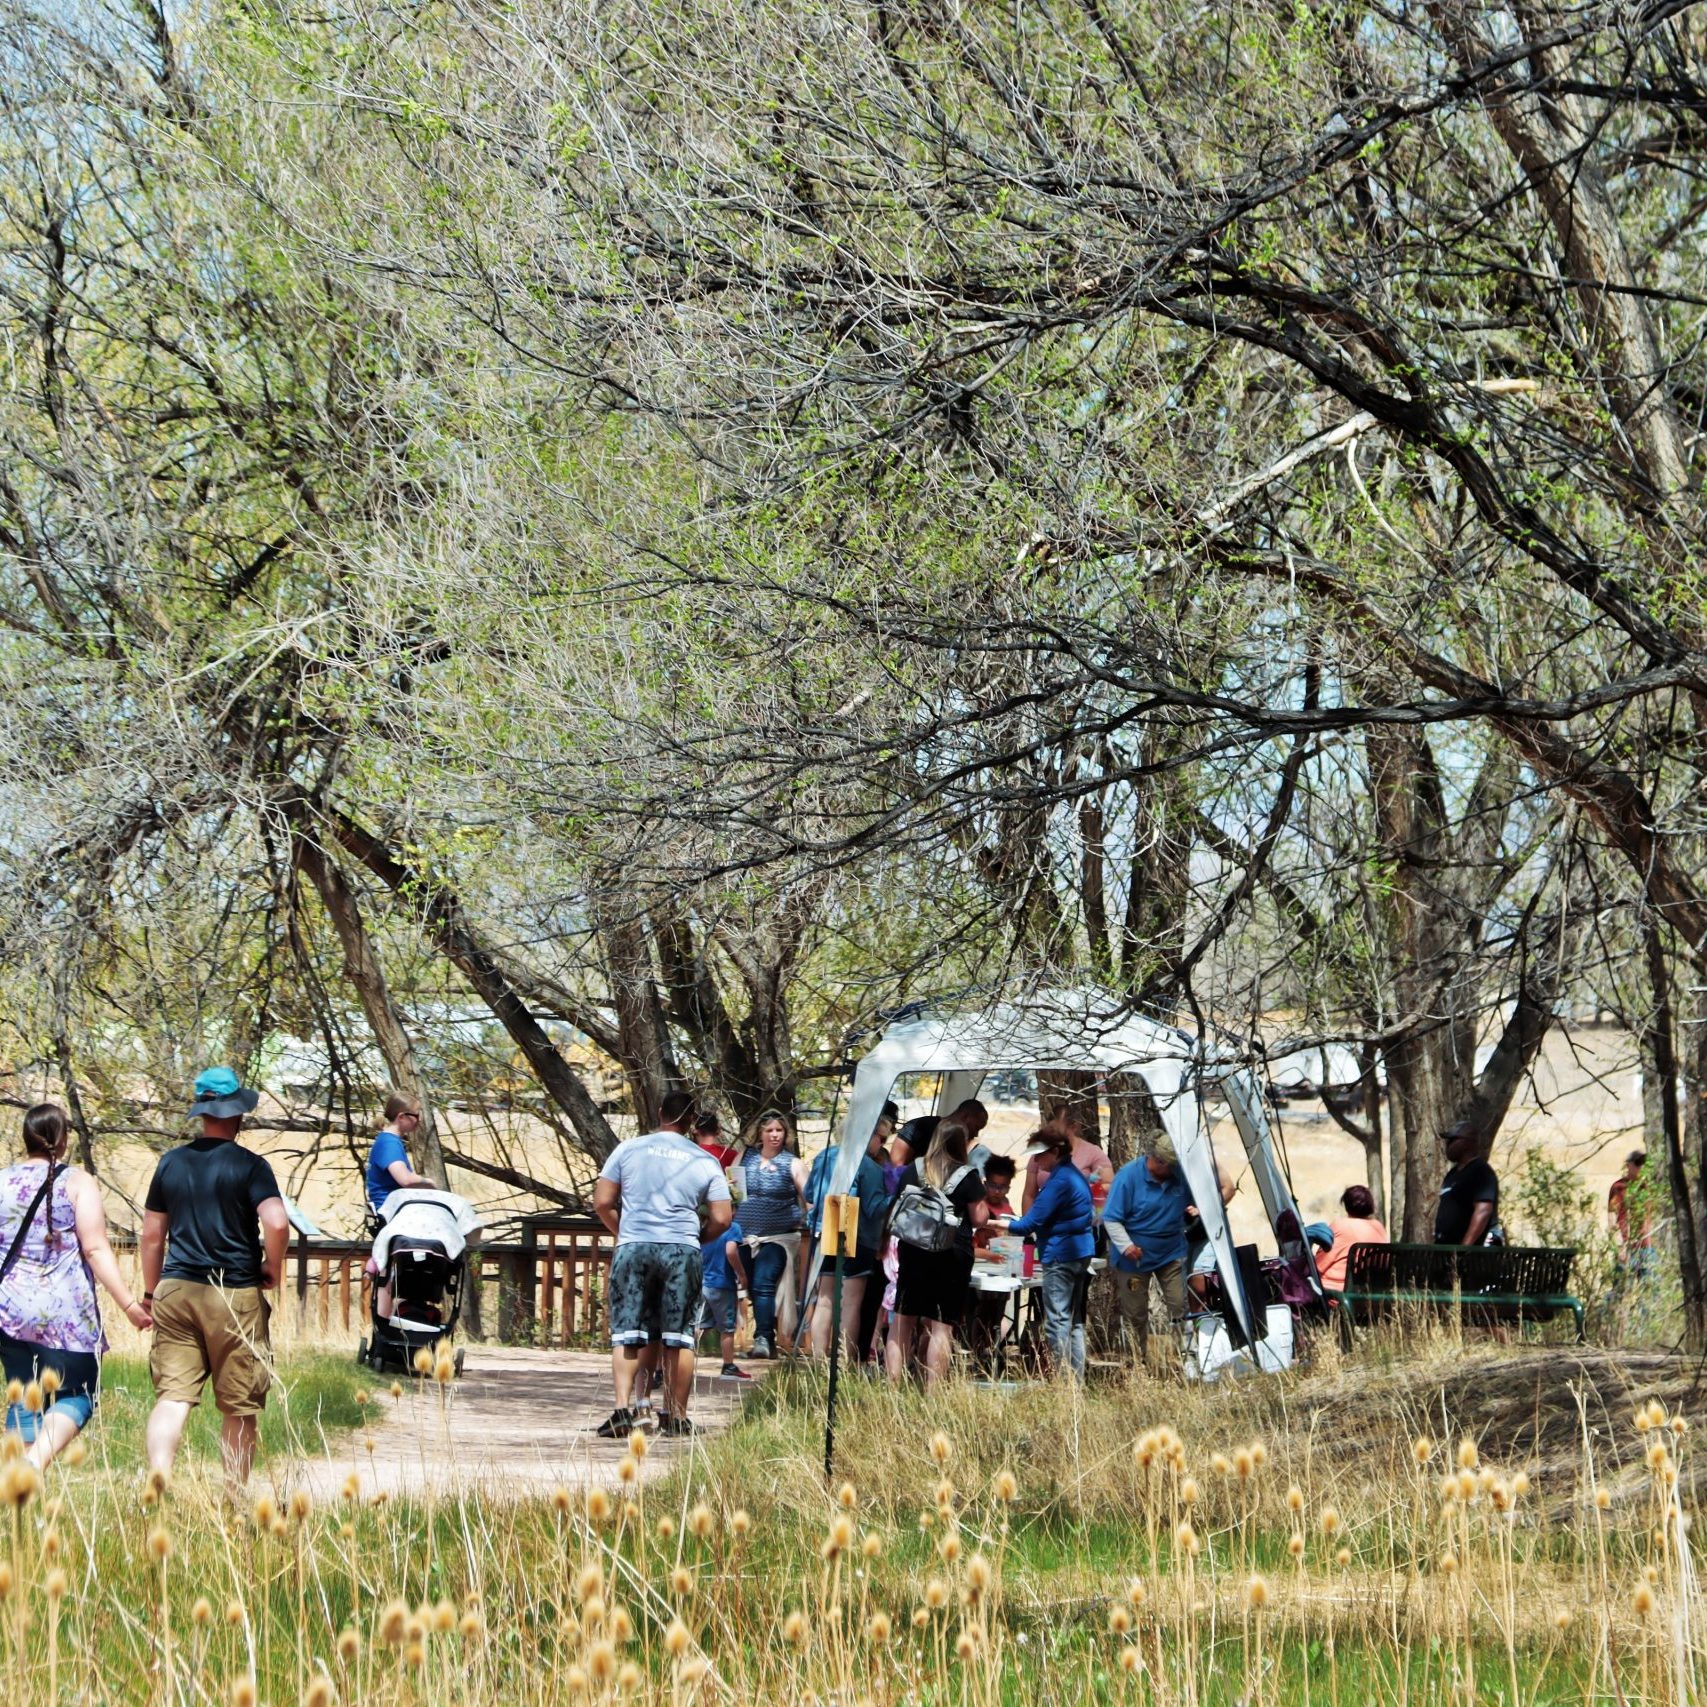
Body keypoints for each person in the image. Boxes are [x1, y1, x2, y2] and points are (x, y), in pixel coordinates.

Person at [142, 1068, 290, 1488]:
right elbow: (277, 1222)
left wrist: (151, 1293)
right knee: (239, 1407)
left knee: (173, 1397)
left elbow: (151, 1235)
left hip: (176, 1290)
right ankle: (234, 1498)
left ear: (202, 1113)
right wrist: (272, 1266)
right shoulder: (251, 1166)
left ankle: (158, 1479)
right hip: (233, 1294)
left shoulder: (171, 1162)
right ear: (238, 1113)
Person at [0, 1104, 151, 1468]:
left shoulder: (2, 1181)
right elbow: (95, 1249)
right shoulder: (78, 1183)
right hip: (64, 1312)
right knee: (79, 1392)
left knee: (24, 1389)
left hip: (8, 1308)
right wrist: (130, 1305)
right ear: (63, 1139)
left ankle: (14, 1485)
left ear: (27, 1138)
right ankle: (32, 1465)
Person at [592, 1090, 732, 1437]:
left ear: (659, 1113)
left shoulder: (628, 1149)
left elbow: (603, 1201)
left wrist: (624, 1231)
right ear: (692, 1121)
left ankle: (622, 1410)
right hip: (680, 1249)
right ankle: (675, 1416)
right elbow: (722, 1217)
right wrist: (698, 1238)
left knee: (627, 1332)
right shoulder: (703, 1160)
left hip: (635, 1246)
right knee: (679, 1336)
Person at [885, 1120, 987, 1388]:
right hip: (951, 1256)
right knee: (942, 1325)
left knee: (902, 1321)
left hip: (913, 1251)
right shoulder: (967, 1175)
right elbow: (979, 1218)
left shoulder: (915, 1168)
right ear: (961, 1144)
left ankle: (892, 1386)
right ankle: (933, 1391)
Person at [1000, 1123, 1096, 1378]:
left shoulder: (1060, 1181)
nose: (1036, 1160)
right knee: (1074, 1321)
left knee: (1057, 1321)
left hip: (1061, 1254)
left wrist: (998, 1223)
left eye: (1040, 1155)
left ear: (1055, 1151)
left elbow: (1028, 1224)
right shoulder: (1073, 1175)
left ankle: (1063, 1379)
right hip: (1079, 1253)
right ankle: (1075, 1380)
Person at [1102, 1136, 1189, 1368]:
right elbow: (1111, 1218)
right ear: (1157, 1160)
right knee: (1135, 1312)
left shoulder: (1181, 1175)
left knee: (1179, 1304)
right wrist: (1126, 1246)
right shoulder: (1128, 1176)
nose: (1174, 1169)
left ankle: (1183, 1356)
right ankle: (1137, 1362)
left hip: (1171, 1252)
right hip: (1134, 1258)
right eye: (1170, 1165)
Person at [808, 1120, 892, 1361]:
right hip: (857, 1231)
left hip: (829, 1224)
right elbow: (874, 1209)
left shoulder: (824, 1156)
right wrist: (896, 1195)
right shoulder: (869, 1166)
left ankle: (818, 1364)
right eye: (881, 1138)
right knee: (851, 1303)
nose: (881, 1144)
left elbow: (809, 1193)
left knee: (825, 1300)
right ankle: (845, 1365)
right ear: (867, 1134)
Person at [735, 1111, 807, 1358]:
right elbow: (731, 1189)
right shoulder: (745, 1157)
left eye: (779, 1130)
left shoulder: (792, 1163)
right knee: (750, 1285)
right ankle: (765, 1339)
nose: (775, 1135)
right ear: (760, 1133)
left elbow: (809, 1198)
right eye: (769, 1130)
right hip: (745, 1237)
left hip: (778, 1238)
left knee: (763, 1281)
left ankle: (764, 1339)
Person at [965, 1155, 1019, 1362]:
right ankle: (975, 1350)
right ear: (985, 1182)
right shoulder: (978, 1206)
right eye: (993, 1186)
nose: (997, 1191)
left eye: (1002, 1187)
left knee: (997, 1312)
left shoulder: (1006, 1207)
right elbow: (970, 1248)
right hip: (978, 1270)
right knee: (978, 1312)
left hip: (1000, 1271)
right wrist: (991, 1254)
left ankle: (989, 1349)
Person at [1020, 1111, 1113, 1212]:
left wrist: (1085, 1187)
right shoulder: (1041, 1155)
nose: (1055, 1134)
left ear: (1073, 1127)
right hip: (1047, 1213)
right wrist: (1027, 1219)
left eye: (1059, 1130)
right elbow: (1029, 1195)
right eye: (1051, 1130)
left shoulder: (1093, 1152)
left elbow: (1111, 1186)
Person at [699, 1211, 752, 1381]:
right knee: (727, 1328)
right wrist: (741, 1274)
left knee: (697, 1325)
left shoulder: (703, 1227)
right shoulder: (732, 1227)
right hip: (723, 1283)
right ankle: (728, 1366)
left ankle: (679, 1363)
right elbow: (730, 1251)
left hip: (702, 1283)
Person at [365, 1094, 433, 1216]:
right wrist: (428, 1182)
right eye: (417, 1115)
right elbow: (405, 1180)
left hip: (396, 1208)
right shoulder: (389, 1143)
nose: (420, 1119)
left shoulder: (389, 1140)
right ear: (401, 1117)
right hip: (391, 1212)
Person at [1434, 1123, 1500, 1247]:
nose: (1447, 1145)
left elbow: (1483, 1210)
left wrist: (1464, 1247)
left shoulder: (1481, 1171)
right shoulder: (1452, 1174)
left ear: (1467, 1143)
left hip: (1471, 1253)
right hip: (1447, 1249)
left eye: (1452, 1140)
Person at [1314, 1185, 1389, 1293]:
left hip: (1336, 1293)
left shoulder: (1339, 1226)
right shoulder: (1379, 1227)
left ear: (1346, 1205)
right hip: (1369, 1292)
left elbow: (1318, 1266)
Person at [1185, 1164, 1239, 1303]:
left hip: (1210, 1231)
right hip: (1181, 1234)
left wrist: (1203, 1209)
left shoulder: (1204, 1159)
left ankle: (1207, 1316)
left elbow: (1229, 1188)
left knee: (1199, 1283)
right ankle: (1197, 1317)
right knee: (1185, 1291)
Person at [1609, 1151, 1654, 1272]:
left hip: (1646, 1248)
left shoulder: (1647, 1187)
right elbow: (1612, 1217)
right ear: (1628, 1165)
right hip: (1627, 1246)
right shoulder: (1619, 1187)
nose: (1641, 1166)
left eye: (1643, 1163)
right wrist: (1620, 1246)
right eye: (1638, 1163)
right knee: (1623, 1282)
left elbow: (1650, 1218)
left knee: (1650, 1282)